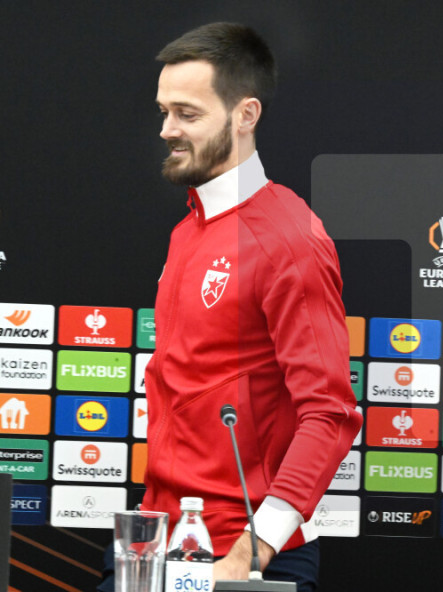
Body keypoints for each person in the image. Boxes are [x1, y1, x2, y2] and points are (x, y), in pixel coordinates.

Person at [98, 22, 361, 591]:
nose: (167, 129)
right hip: (160, 539)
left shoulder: (288, 238)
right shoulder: (190, 227)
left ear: (245, 114)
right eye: (164, 112)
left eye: (187, 114)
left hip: (239, 554)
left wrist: (252, 550)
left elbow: (330, 413)